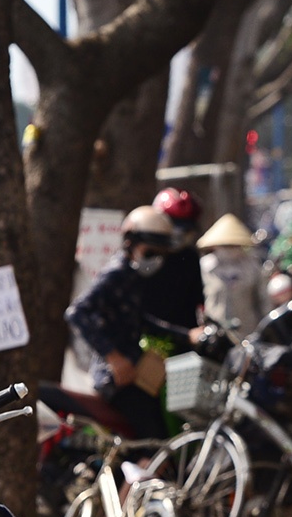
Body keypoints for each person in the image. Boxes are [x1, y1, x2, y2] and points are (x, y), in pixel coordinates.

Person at [66, 207, 199, 440]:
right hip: (115, 380)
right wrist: (113, 358)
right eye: (150, 252)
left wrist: (186, 335)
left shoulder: (134, 275)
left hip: (136, 372)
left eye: (160, 253)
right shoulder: (117, 273)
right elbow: (78, 312)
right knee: (152, 439)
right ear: (130, 243)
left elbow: (141, 321)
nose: (155, 259)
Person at [145, 187, 207, 335]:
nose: (177, 235)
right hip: (146, 339)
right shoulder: (144, 256)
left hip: (184, 343)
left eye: (184, 230)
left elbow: (198, 299)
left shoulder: (190, 258)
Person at [197, 213, 264, 332]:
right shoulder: (205, 267)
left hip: (248, 330)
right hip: (216, 331)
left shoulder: (252, 266)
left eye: (232, 245)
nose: (229, 250)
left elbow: (263, 301)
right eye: (225, 245)